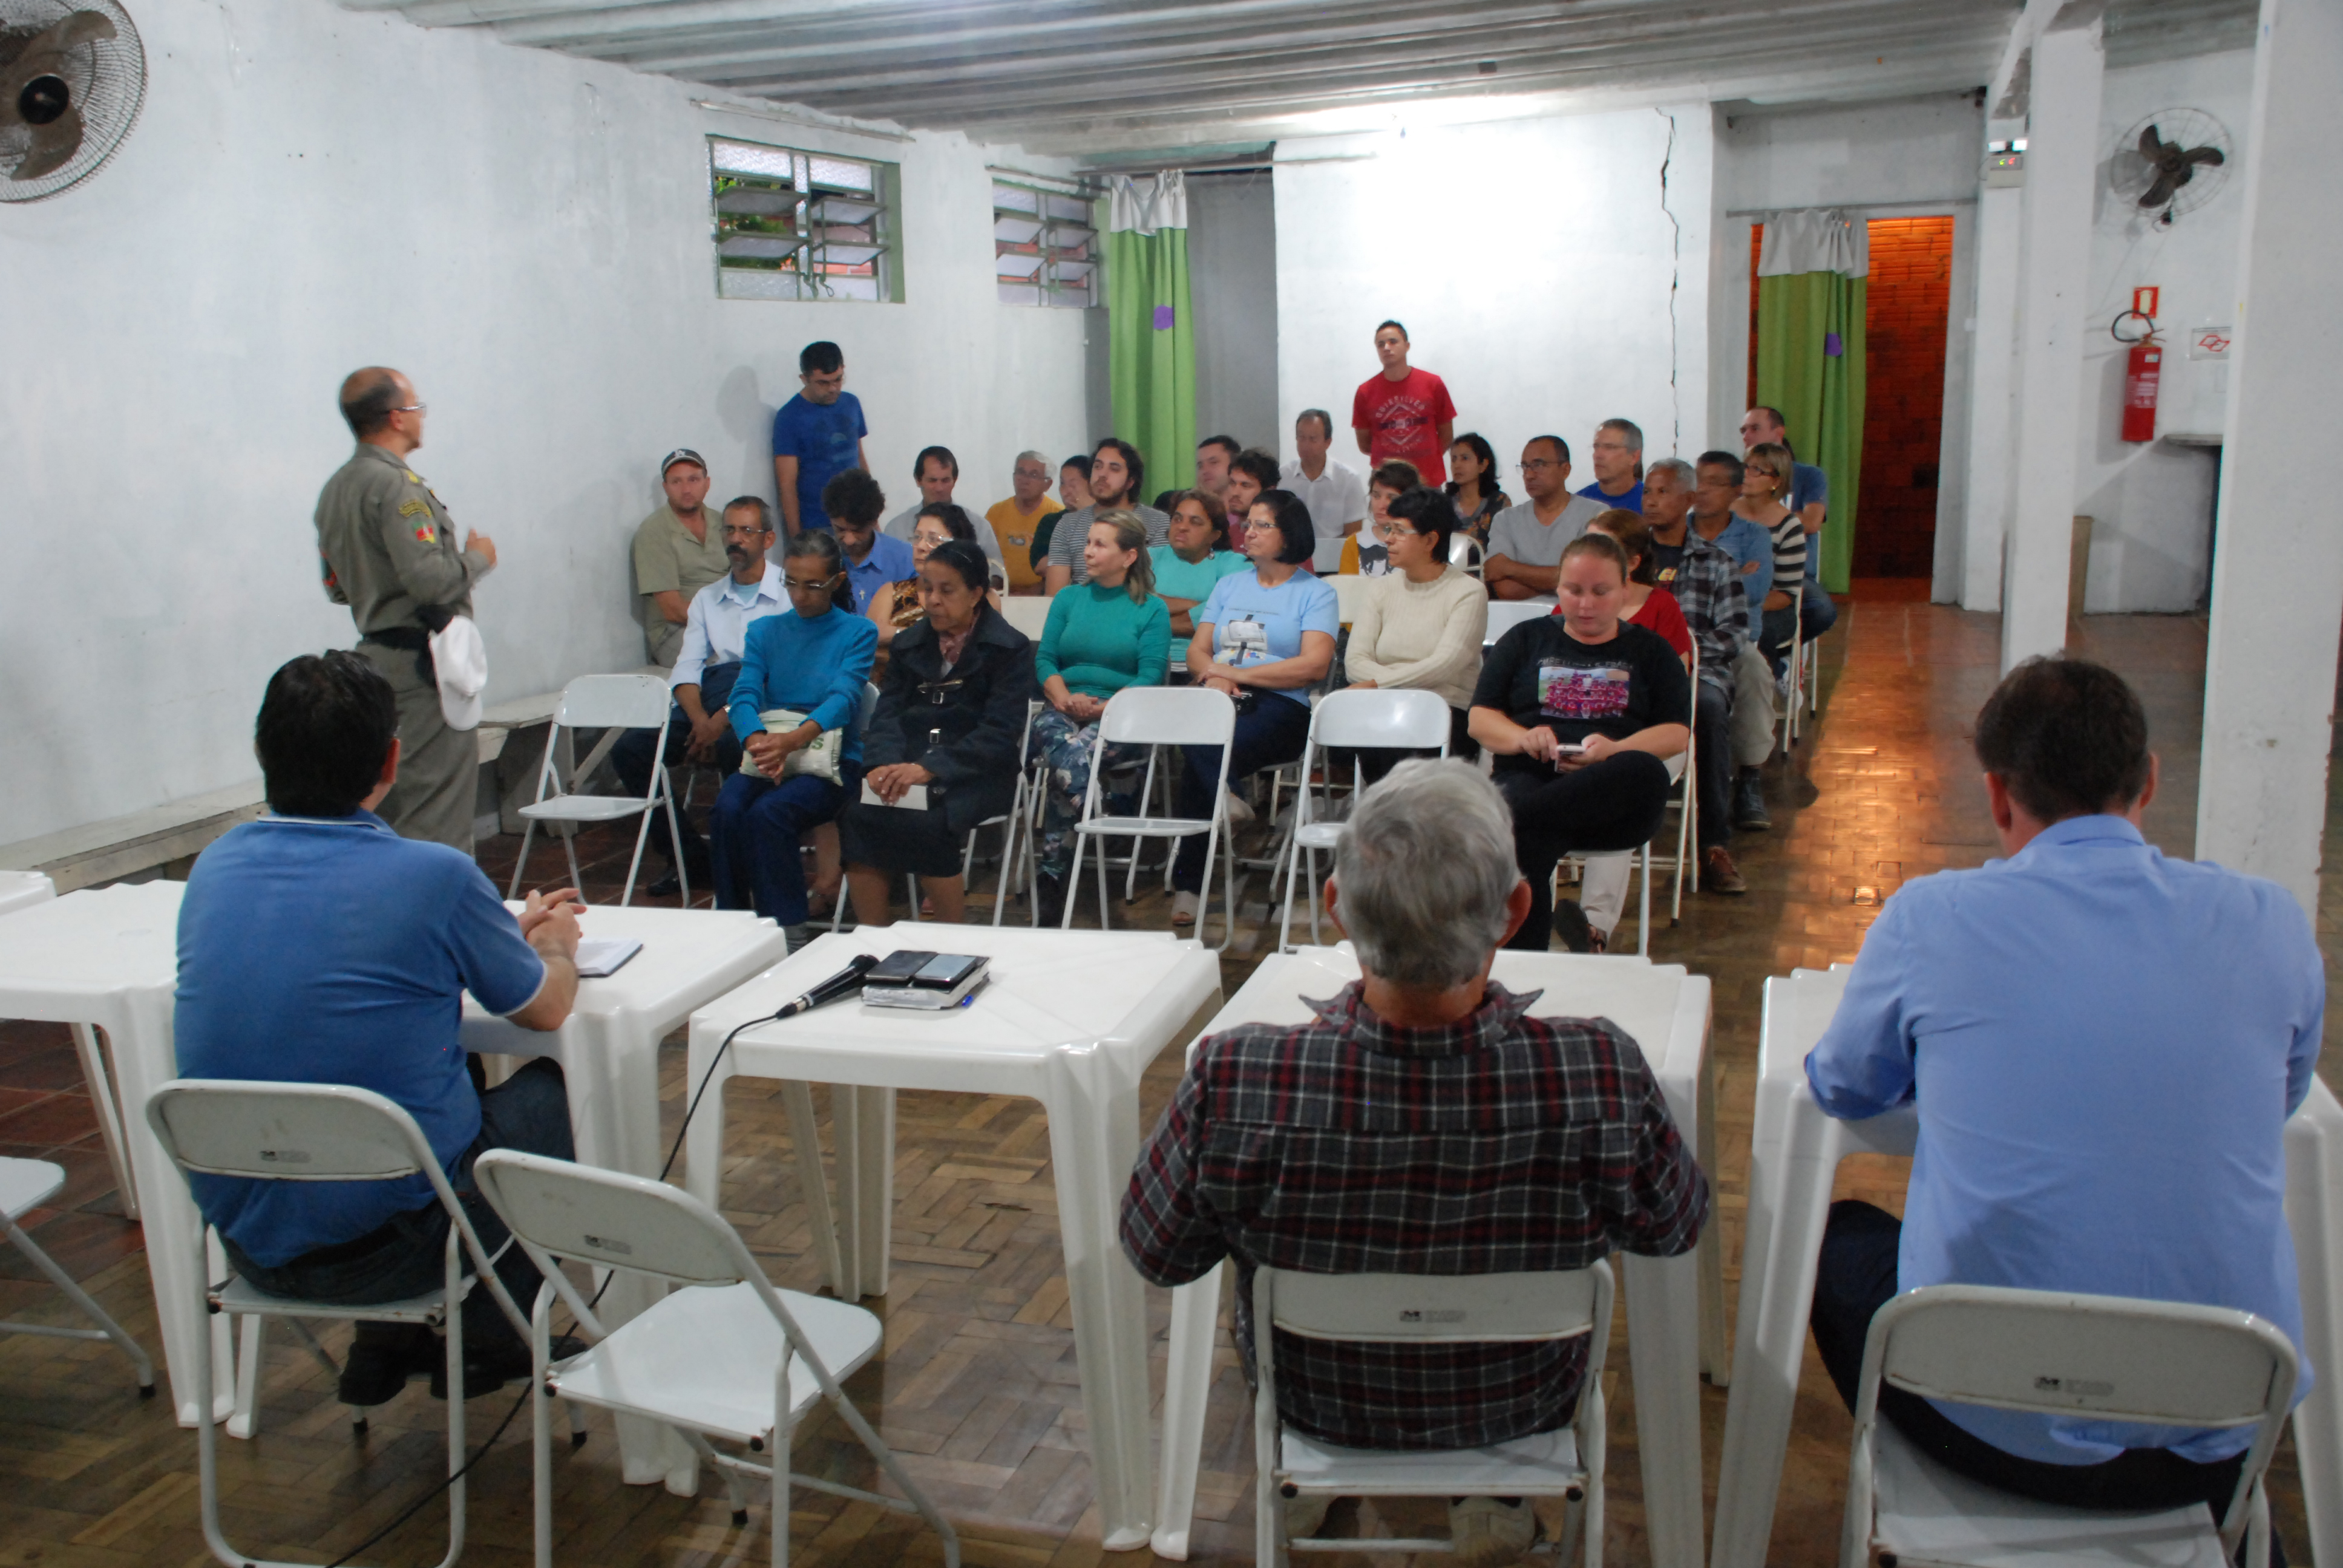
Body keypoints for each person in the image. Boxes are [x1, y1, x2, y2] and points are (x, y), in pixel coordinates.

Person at [1121, 758, 1708, 1567]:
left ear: (1336, 909)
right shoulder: (1599, 1072)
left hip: (1320, 1403)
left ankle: (1321, 1492)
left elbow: (1157, 1250)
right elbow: (1675, 1226)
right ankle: (1497, 1494)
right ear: (1515, 912)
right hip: (1522, 1403)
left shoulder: (1238, 1076)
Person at [1806, 656, 2321, 1537]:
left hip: (1987, 1421)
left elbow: (1843, 1081)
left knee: (1842, 1239)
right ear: (2149, 780)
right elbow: (2279, 1097)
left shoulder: (1934, 918)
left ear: (1998, 796)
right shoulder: (2269, 921)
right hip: (2227, 1429)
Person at [176, 652, 582, 1405]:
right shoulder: (433, 876)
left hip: (250, 1246)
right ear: (392, 758)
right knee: (547, 1093)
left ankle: (385, 1341)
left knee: (436, 1074)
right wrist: (554, 942)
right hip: (395, 1250)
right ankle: (491, 1337)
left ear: (263, 754)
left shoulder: (214, 866)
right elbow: (547, 1009)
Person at [1470, 532, 1691, 953]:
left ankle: (1482, 823)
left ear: (1625, 590)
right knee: (1527, 839)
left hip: (1615, 794)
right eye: (1573, 590)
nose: (1585, 604)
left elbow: (1677, 732)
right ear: (1558, 587)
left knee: (1642, 769)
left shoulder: (1651, 651)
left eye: (1600, 592)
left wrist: (1612, 752)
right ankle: (1538, 960)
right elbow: (1480, 719)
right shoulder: (1524, 639)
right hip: (1532, 775)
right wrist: (1523, 737)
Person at [313, 367, 496, 852]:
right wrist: (479, 558)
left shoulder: (337, 489)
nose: (421, 418)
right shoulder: (396, 487)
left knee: (393, 803)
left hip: (374, 662)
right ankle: (442, 919)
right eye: (417, 408)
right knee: (436, 811)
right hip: (422, 667)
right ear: (396, 418)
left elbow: (337, 587)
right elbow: (430, 580)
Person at [841, 540, 1036, 927]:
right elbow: (887, 714)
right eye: (926, 588)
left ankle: (950, 938)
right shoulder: (909, 644)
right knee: (858, 813)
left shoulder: (1010, 649)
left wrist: (930, 768)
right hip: (906, 765)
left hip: (977, 773)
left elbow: (998, 734)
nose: (931, 600)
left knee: (927, 818)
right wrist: (881, 765)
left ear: (977, 594)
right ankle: (872, 940)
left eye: (946, 591)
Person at [1176, 491, 1339, 929]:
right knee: (1193, 731)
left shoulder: (1316, 592)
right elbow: (1197, 649)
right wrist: (1215, 673)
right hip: (1221, 693)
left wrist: (1237, 675)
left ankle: (1189, 883)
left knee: (1205, 751)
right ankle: (1228, 797)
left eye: (1262, 524)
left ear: (1290, 534)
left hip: (1281, 707)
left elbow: (1314, 665)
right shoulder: (1230, 585)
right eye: (1247, 522)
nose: (1248, 531)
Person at [611, 497, 787, 898]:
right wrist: (699, 721)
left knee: (731, 746)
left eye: (747, 531)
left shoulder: (786, 594)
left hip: (759, 698)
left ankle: (740, 864)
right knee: (632, 750)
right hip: (706, 700)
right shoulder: (708, 599)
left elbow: (773, 676)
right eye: (729, 531)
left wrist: (721, 721)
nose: (736, 540)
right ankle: (688, 858)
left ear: (769, 539)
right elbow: (688, 667)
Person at [709, 529, 877, 944]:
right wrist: (756, 742)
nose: (801, 596)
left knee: (771, 813)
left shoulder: (857, 632)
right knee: (728, 809)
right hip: (769, 748)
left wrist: (792, 741)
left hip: (832, 759)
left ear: (837, 582)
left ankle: (787, 930)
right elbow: (744, 693)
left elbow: (844, 699)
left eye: (813, 585)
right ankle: (732, 925)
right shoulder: (765, 631)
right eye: (792, 583)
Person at [1031, 511, 1172, 922]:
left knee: (1068, 760)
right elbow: (1045, 659)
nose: (1087, 552)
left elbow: (1148, 676)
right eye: (1087, 542)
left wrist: (1103, 708)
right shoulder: (1068, 599)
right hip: (1062, 707)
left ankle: (1052, 873)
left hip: (1121, 715)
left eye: (1099, 544)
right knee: (1058, 738)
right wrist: (1064, 699)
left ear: (1129, 556)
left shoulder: (1151, 609)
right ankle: (1091, 803)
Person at [1643, 458, 1752, 894]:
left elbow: (1734, 635)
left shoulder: (1717, 562)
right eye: (1648, 491)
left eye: (1663, 492)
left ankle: (1713, 846)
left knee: (1707, 709)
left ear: (1689, 500)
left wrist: (1679, 652)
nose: (1651, 500)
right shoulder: (1630, 559)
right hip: (1633, 671)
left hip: (1698, 672)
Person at [1342, 486, 1488, 770]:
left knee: (1397, 738)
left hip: (1444, 708)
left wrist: (1379, 683)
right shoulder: (1380, 590)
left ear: (1431, 539)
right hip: (1385, 704)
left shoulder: (1468, 592)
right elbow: (1355, 661)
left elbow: (1445, 665)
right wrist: (1387, 689)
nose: (1388, 540)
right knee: (1366, 730)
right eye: (1388, 530)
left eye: (1399, 531)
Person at [1691, 451, 1781, 835]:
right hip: (1687, 637)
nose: (1703, 490)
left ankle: (1749, 777)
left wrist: (1723, 577)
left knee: (1755, 670)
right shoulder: (1677, 531)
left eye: (1714, 483)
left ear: (1735, 490)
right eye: (1699, 480)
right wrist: (1732, 572)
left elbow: (1755, 592)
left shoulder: (1754, 535)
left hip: (1737, 636)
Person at [1741, 405, 1838, 644]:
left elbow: (1812, 522)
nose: (1747, 435)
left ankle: (1781, 657)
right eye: (1743, 430)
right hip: (1743, 571)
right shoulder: (1741, 479)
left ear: (1779, 432)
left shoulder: (1808, 476)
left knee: (1821, 609)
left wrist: (1769, 512)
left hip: (1793, 573)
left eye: (1755, 428)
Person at [865, 501, 991, 679]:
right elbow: (869, 645)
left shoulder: (978, 596)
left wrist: (898, 635)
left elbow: (979, 653)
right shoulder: (891, 593)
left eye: (933, 539)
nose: (921, 546)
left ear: (959, 545)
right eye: (917, 537)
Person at [631, 448, 728, 667]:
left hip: (727, 621)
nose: (686, 489)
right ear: (665, 488)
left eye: (694, 479)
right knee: (726, 665)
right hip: (675, 631)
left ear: (707, 483)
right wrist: (726, 625)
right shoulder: (654, 531)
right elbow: (672, 610)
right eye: (676, 482)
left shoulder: (724, 522)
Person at [1484, 436, 1606, 601]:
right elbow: (1504, 589)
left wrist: (1510, 568)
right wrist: (1565, 583)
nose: (1529, 475)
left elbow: (1589, 579)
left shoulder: (1595, 514)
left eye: (1539, 465)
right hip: (1517, 621)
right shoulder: (1506, 519)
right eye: (1525, 466)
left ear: (1565, 470)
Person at [1044, 439, 1168, 593]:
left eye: (1114, 469)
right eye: (1098, 466)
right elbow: (1055, 595)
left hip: (1139, 611)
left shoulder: (1157, 522)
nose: (1102, 475)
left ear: (1131, 482)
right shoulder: (1068, 525)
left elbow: (1162, 589)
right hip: (1083, 613)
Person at [770, 341, 868, 537]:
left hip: (859, 518)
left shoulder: (851, 403)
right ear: (804, 379)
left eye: (838, 380)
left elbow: (860, 458)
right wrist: (798, 539)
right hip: (819, 525)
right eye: (823, 383)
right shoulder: (789, 418)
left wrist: (872, 517)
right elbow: (787, 485)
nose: (833, 388)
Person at [1351, 319, 1455, 485]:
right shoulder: (1365, 392)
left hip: (1427, 483)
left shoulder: (1433, 384)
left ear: (1407, 346)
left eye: (1393, 342)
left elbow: (1447, 435)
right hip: (1387, 485)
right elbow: (1364, 444)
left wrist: (1425, 459)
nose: (1386, 348)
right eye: (1381, 344)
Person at [1737, 443, 1808, 673]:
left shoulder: (1789, 526)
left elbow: (1786, 594)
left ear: (1776, 481)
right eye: (1745, 467)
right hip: (1724, 600)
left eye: (1757, 470)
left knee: (1759, 629)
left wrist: (1746, 606)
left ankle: (1772, 676)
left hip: (1771, 606)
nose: (1746, 474)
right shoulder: (1725, 513)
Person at [1587, 508, 1691, 666]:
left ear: (1632, 563)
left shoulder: (1662, 606)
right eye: (1585, 547)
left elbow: (1676, 679)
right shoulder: (1570, 603)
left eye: (1603, 551)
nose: (1588, 558)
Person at [1150, 489, 1249, 639]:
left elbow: (1226, 615)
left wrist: (1149, 623)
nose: (1182, 527)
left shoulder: (1234, 564)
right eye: (1177, 519)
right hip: (1146, 655)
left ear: (1215, 535)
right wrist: (1196, 605)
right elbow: (1132, 602)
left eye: (1195, 522)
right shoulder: (1148, 557)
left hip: (1209, 657)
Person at [1281, 410, 1369, 572]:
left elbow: (1353, 534)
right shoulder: (1282, 477)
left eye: (1313, 439)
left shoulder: (1348, 479)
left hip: (1335, 565)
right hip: (1290, 562)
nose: (1305, 445)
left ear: (1328, 442)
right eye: (1301, 437)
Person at [820, 467, 915, 616]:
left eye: (858, 531)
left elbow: (909, 624)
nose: (849, 540)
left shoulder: (906, 560)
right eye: (840, 529)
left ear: (875, 521)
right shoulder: (820, 559)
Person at [985, 451, 1063, 595]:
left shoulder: (1058, 516)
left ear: (1048, 484)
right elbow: (986, 559)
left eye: (1033, 475)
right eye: (1020, 473)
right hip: (1002, 593)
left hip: (1044, 595)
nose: (1024, 480)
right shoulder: (996, 513)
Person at [1342, 459, 1420, 576]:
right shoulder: (1354, 543)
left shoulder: (1420, 542)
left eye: (1391, 498)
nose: (1381, 505)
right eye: (1376, 496)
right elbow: (1347, 590)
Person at [1030, 454, 1092, 583]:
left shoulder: (1107, 519)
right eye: (1062, 484)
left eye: (1073, 485)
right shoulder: (1052, 522)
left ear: (1092, 485)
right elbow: (1041, 566)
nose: (1065, 492)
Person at [1444, 431, 1510, 546]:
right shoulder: (1442, 503)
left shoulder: (1499, 502)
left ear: (1483, 465)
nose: (1457, 465)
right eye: (1454, 459)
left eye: (1465, 458)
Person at [1222, 448, 1281, 557]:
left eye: (1246, 486)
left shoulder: (1283, 539)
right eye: (1232, 483)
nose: (1235, 492)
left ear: (1269, 491)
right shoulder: (1225, 536)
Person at [1578, 418, 1645, 514]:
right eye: (1596, 447)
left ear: (1634, 457)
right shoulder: (1578, 504)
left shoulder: (1650, 505)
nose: (1598, 455)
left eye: (1609, 448)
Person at [1194, 434, 1240, 508]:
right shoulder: (1191, 514)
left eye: (1214, 463)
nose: (1205, 471)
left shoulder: (1252, 515)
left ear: (1234, 465)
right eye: (1200, 466)